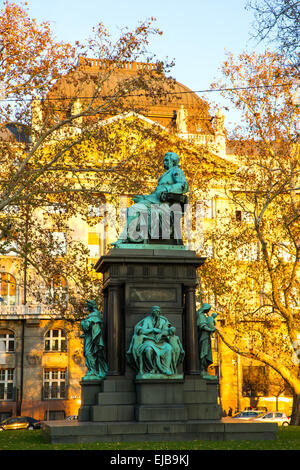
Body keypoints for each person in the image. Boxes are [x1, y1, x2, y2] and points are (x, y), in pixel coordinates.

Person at [112, 152, 188, 245]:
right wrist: (143, 197)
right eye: (164, 160)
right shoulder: (166, 174)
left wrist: (167, 190)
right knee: (131, 209)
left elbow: (183, 185)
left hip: (164, 205)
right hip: (154, 201)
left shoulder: (176, 171)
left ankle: (126, 238)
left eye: (166, 160)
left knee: (134, 209)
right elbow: (155, 194)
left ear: (172, 161)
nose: (164, 162)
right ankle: (128, 238)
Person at [126, 305, 184, 377]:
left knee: (169, 348)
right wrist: (152, 329)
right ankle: (151, 369)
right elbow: (143, 330)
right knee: (148, 350)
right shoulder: (147, 320)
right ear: (152, 312)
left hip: (161, 342)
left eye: (158, 312)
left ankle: (166, 369)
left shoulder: (163, 321)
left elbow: (166, 330)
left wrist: (161, 333)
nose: (157, 313)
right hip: (149, 341)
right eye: (156, 311)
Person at [80, 300, 108, 381]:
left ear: (91, 305)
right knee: (88, 353)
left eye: (88, 305)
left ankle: (93, 371)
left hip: (92, 338)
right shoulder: (94, 314)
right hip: (90, 337)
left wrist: (83, 323)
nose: (87, 307)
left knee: (89, 353)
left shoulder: (94, 314)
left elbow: (87, 326)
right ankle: (93, 370)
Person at [197, 303, 217, 380]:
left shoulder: (203, 316)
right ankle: (202, 368)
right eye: (208, 309)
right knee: (204, 352)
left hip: (206, 336)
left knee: (205, 352)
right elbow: (203, 326)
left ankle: (204, 368)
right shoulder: (201, 315)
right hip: (203, 337)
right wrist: (211, 329)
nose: (208, 311)